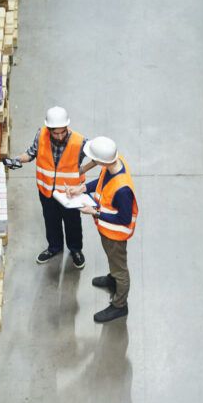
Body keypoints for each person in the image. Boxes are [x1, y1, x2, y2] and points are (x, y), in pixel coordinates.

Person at [4, 106, 95, 268]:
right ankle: (54, 247)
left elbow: (98, 156)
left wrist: (83, 169)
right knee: (51, 221)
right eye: (55, 132)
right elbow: (31, 153)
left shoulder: (80, 141)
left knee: (72, 222)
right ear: (49, 128)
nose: (59, 136)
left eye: (63, 132)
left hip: (70, 193)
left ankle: (75, 250)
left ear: (67, 127)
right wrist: (17, 159)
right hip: (46, 191)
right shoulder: (41, 135)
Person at [65, 136, 138, 324]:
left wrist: (95, 212)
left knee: (120, 268)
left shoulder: (122, 190)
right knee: (113, 262)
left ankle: (120, 305)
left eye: (94, 159)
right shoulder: (115, 161)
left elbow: (124, 219)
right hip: (107, 232)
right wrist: (82, 189)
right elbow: (101, 181)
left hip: (115, 235)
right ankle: (112, 279)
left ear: (102, 160)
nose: (93, 162)